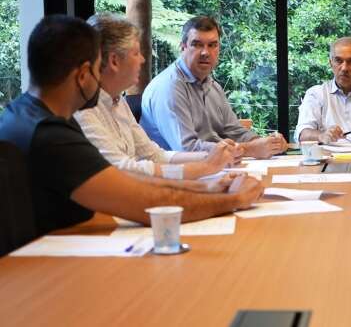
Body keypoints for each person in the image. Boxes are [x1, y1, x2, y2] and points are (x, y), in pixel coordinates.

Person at [0, 15, 263, 235]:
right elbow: (145, 204)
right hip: (41, 274)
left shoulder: (22, 116)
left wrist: (205, 186)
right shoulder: (51, 135)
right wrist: (234, 200)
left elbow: (125, 177)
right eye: (96, 68)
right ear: (82, 75)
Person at [74, 13, 243, 179]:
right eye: (136, 53)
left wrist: (213, 156)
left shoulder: (118, 102)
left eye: (212, 45)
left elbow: (154, 156)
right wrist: (205, 167)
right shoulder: (82, 111)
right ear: (114, 61)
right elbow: (124, 170)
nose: (142, 60)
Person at [141, 16, 288, 159]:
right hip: (175, 176)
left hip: (210, 170)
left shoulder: (212, 86)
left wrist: (266, 144)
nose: (205, 52)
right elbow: (186, 149)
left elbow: (233, 130)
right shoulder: (169, 87)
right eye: (197, 44)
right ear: (183, 47)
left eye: (212, 45)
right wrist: (248, 149)